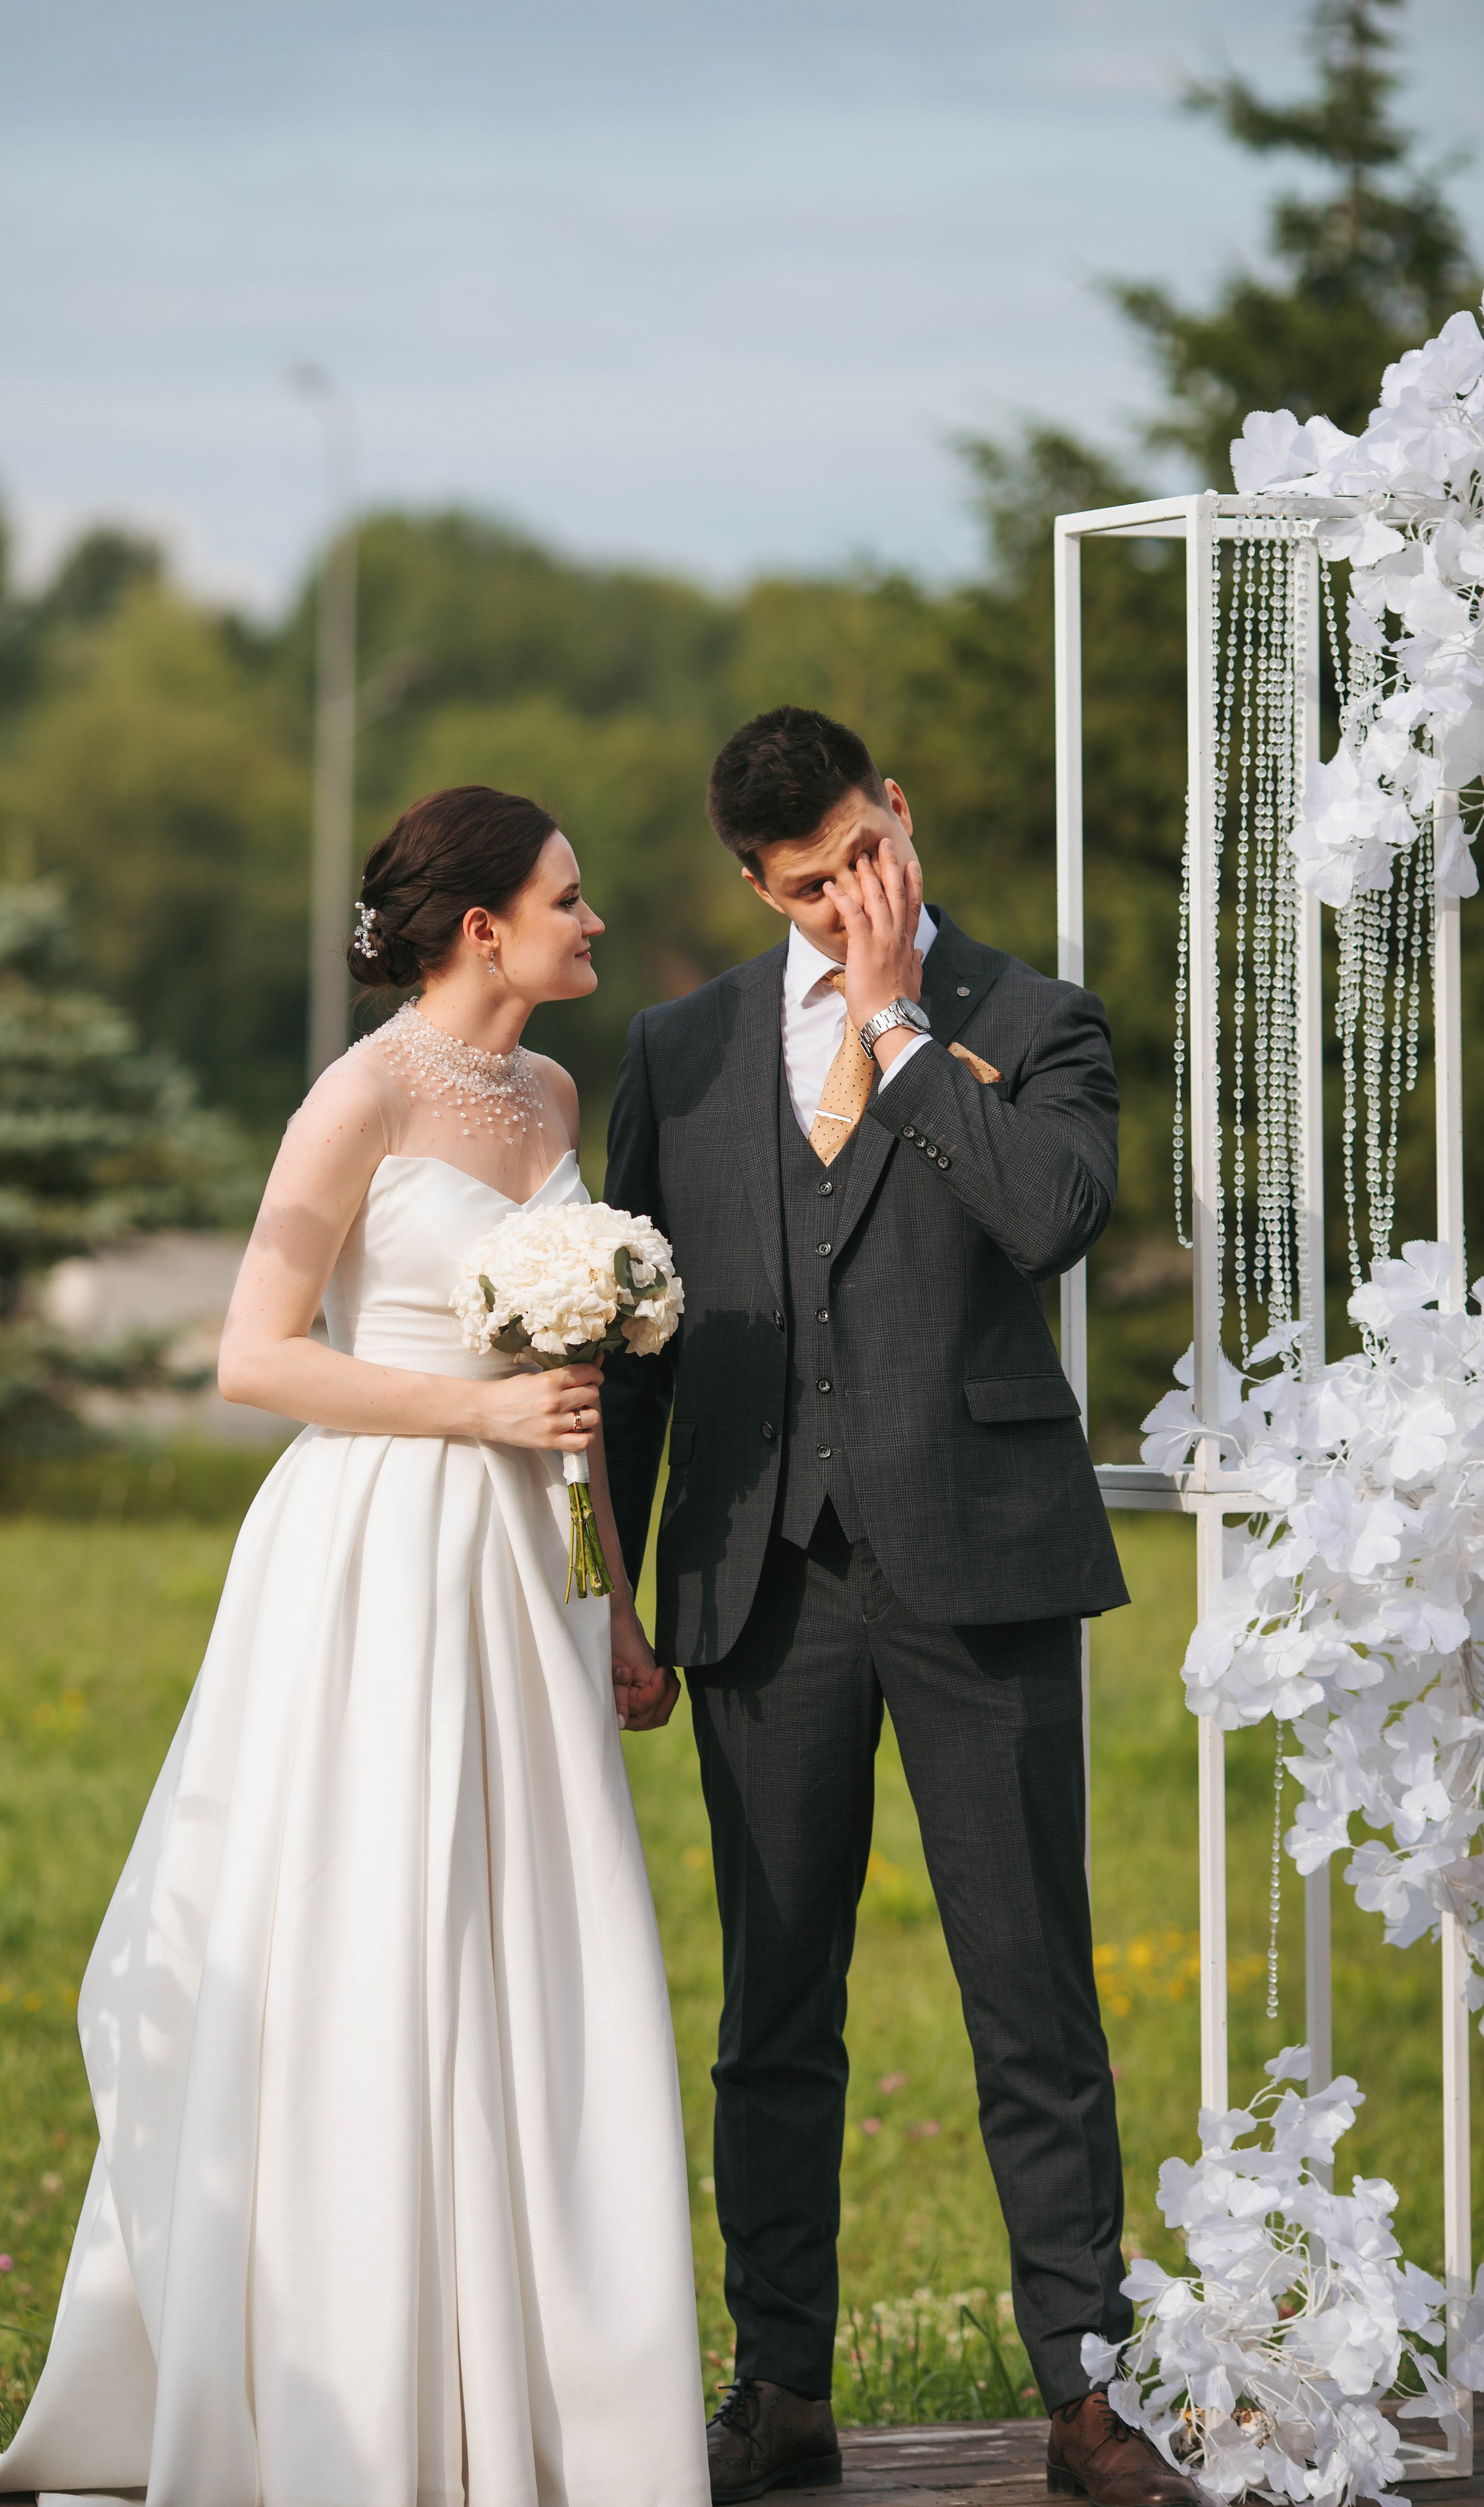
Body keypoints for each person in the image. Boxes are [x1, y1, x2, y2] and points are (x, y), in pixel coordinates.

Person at [0, 786, 707, 2507]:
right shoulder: (356, 1097)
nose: (593, 920)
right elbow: (253, 1357)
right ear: (482, 927)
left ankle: (541, 2385)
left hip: (531, 1568)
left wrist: (622, 1604)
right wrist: (463, 1411)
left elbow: (572, 1413)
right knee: (379, 1924)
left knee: (531, 1940)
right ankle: (356, 2376)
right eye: (568, 898)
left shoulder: (556, 1092)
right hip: (383, 1553)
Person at [601, 708, 1195, 2507]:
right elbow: (634, 1351)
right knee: (776, 2010)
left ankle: (1083, 2402)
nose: (843, 898)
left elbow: (1051, 1221)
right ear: (754, 882)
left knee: (1032, 2001)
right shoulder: (680, 1051)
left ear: (899, 818)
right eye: (804, 887)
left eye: (863, 857)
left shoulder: (1035, 1020)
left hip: (983, 1571)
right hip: (760, 1584)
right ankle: (778, 2388)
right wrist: (615, 1595)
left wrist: (894, 1023)